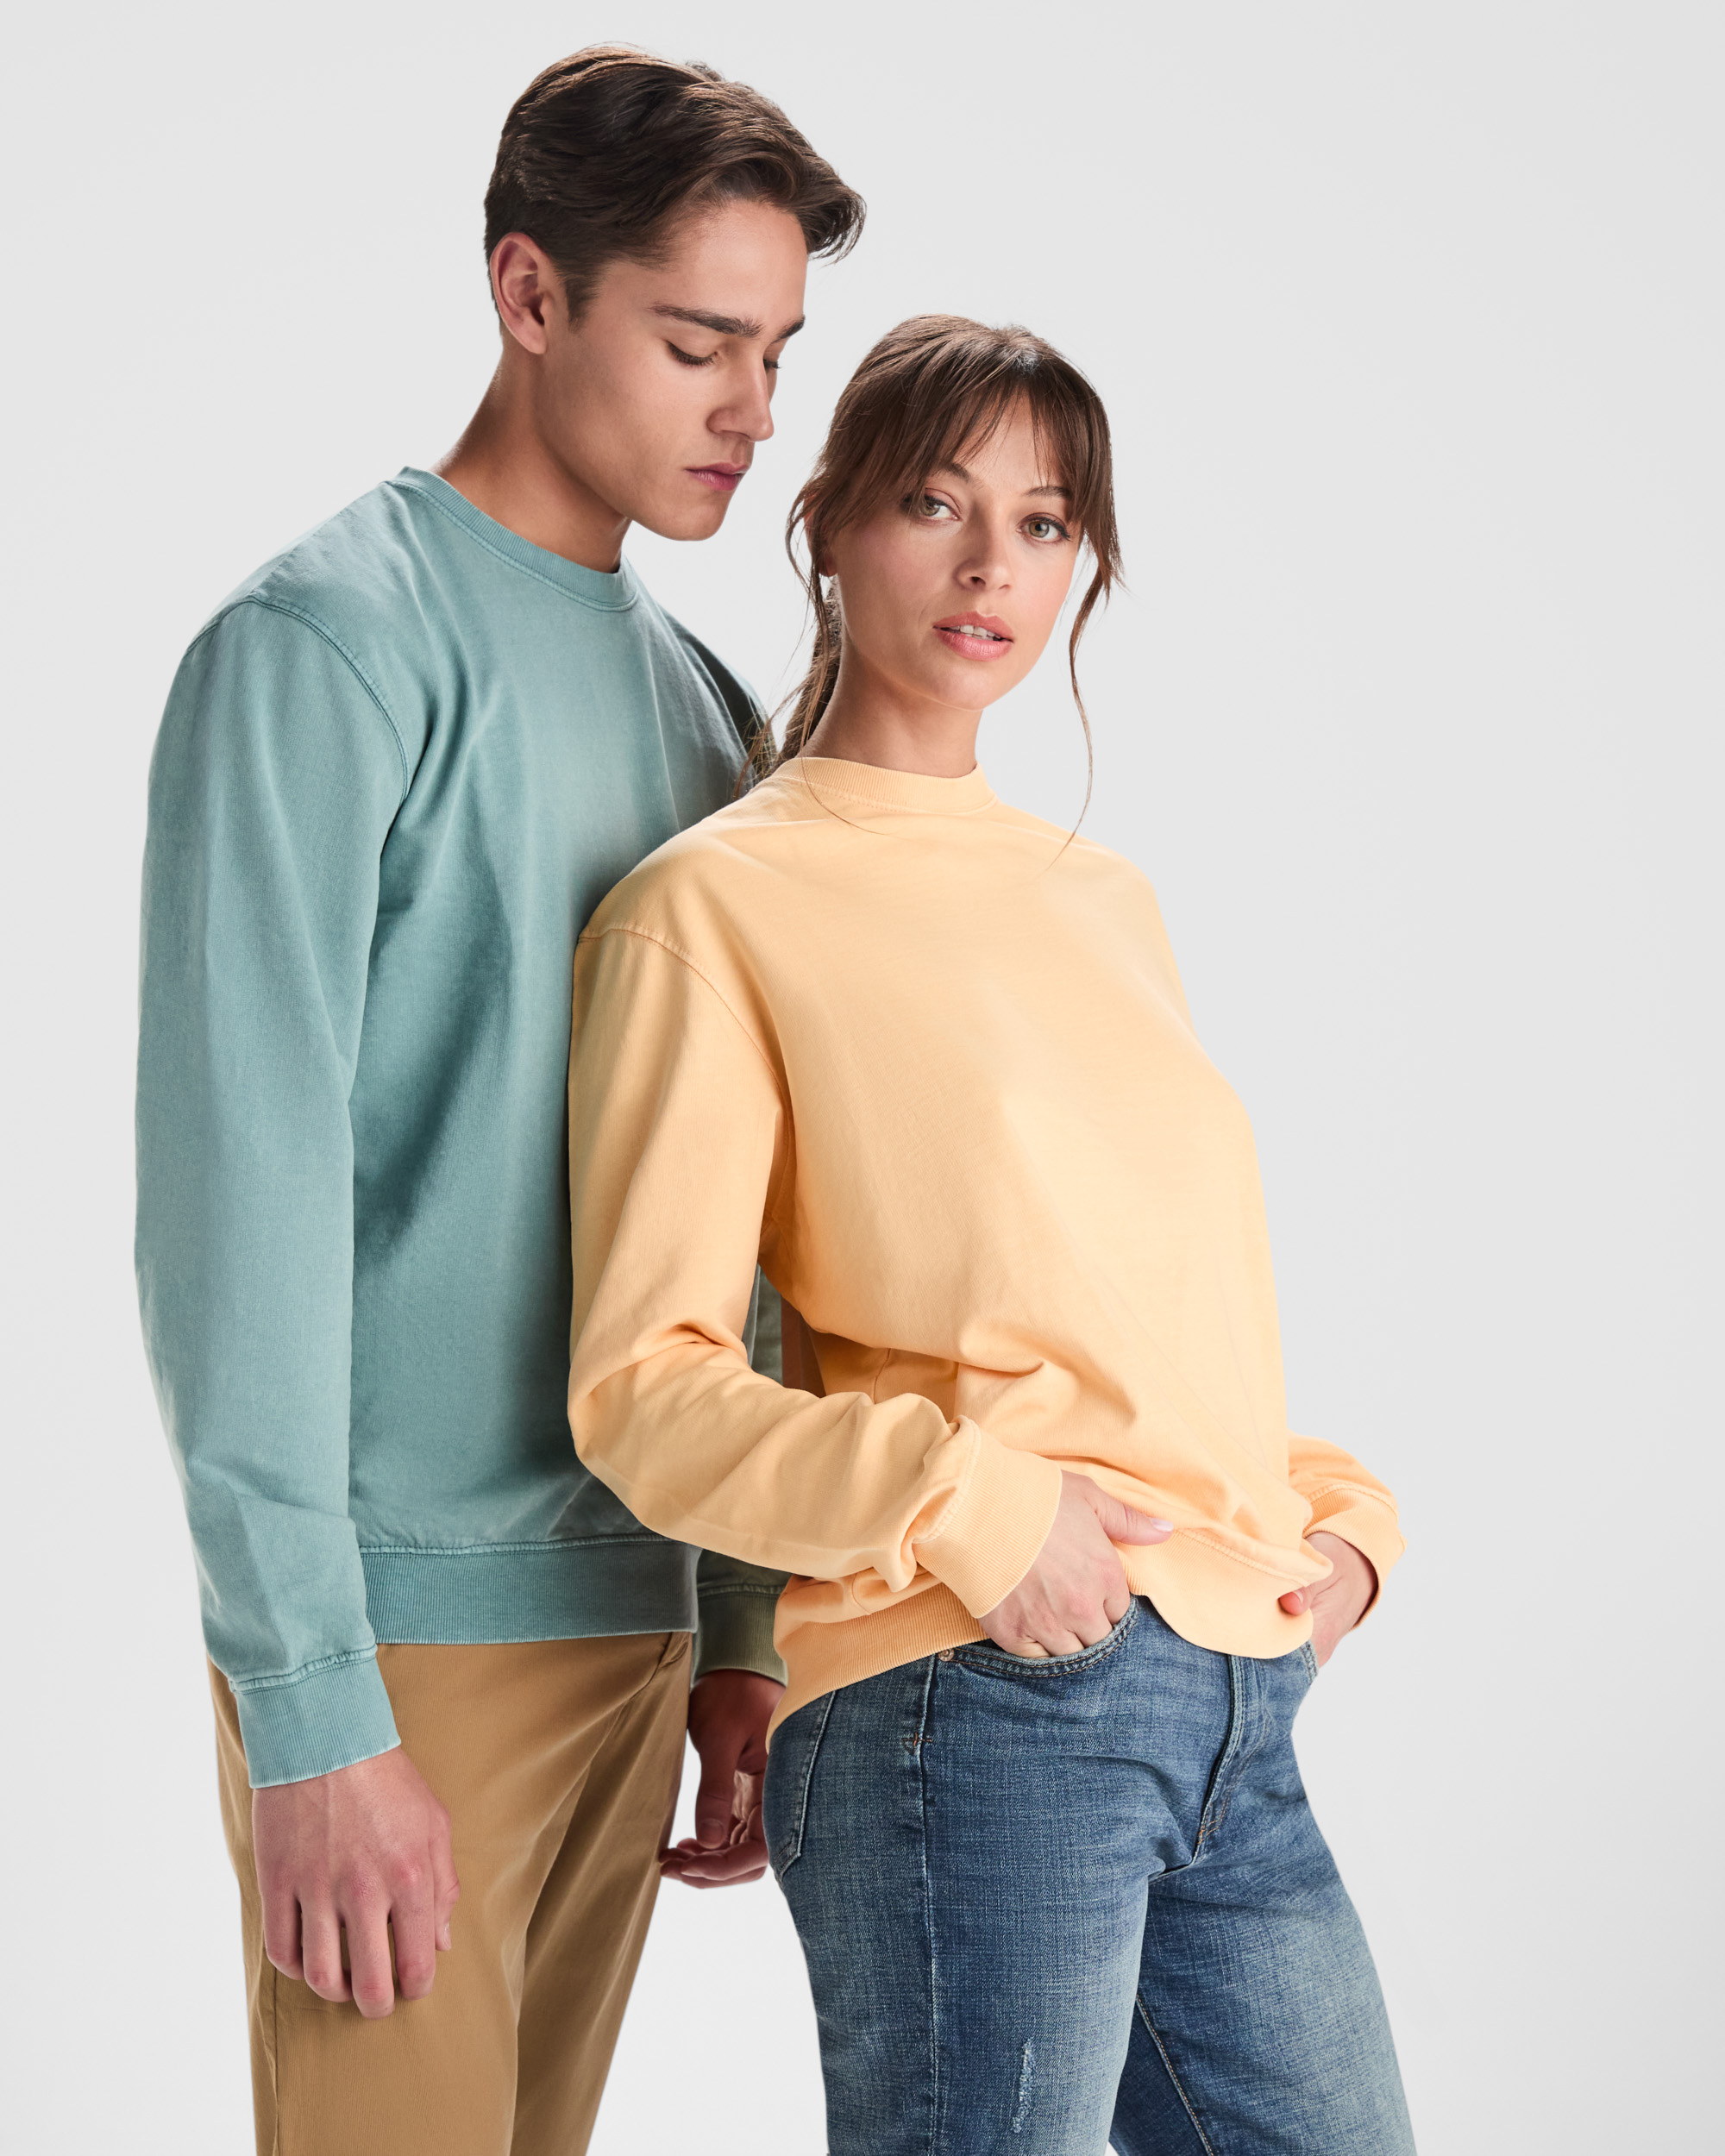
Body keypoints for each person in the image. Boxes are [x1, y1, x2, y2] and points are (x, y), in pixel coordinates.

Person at [565, 316, 1417, 2153]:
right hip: (970, 1690)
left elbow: (1134, 1325)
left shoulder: (1104, 900)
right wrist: (977, 1508)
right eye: (934, 504)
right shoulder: (714, 904)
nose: (989, 568)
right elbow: (643, 1388)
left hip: (1230, 1696)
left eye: (1042, 524)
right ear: (828, 523)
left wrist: (1335, 1524)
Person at [135, 47, 862, 2156]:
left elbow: (731, 1211)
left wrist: (737, 1627)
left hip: (634, 1617)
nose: (752, 409)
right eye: (698, 343)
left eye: (776, 352)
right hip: (402, 1641)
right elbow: (238, 1200)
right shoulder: (323, 649)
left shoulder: (703, 710)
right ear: (529, 293)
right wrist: (310, 1706)